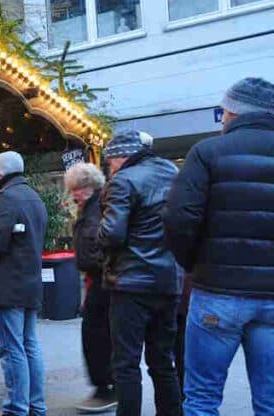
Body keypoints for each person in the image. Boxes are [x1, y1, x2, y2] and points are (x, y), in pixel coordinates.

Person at [163, 77, 274, 416]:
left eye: (224, 111)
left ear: (233, 112)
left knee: (202, 399)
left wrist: (196, 264)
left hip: (217, 294)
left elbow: (179, 219)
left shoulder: (207, 152)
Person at [98, 130, 181, 416]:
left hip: (131, 284)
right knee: (162, 361)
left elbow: (112, 235)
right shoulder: (172, 171)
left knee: (126, 364)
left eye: (109, 163)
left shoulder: (123, 180)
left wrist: (98, 232)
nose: (109, 168)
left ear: (120, 157)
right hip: (168, 281)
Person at [0, 150, 47, 416]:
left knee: (11, 349)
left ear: (2, 172)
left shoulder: (5, 199)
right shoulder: (34, 197)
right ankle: (36, 407)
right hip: (30, 284)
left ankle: (16, 408)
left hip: (7, 286)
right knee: (29, 346)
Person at [64, 162, 116, 414]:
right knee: (97, 333)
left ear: (90, 186)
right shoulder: (90, 207)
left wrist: (96, 264)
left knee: (96, 334)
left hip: (101, 280)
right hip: (97, 278)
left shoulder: (97, 208)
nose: (75, 193)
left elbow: (102, 242)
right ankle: (105, 385)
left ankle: (106, 386)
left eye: (79, 188)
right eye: (73, 189)